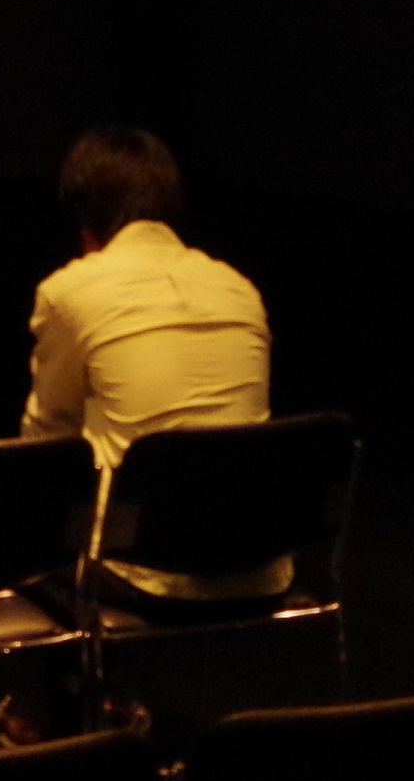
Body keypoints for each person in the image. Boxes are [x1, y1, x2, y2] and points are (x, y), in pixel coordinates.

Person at [20, 125, 276, 602]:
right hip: (258, 566)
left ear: (83, 220)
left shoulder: (70, 291)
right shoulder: (239, 287)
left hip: (143, 575)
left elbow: (47, 449)